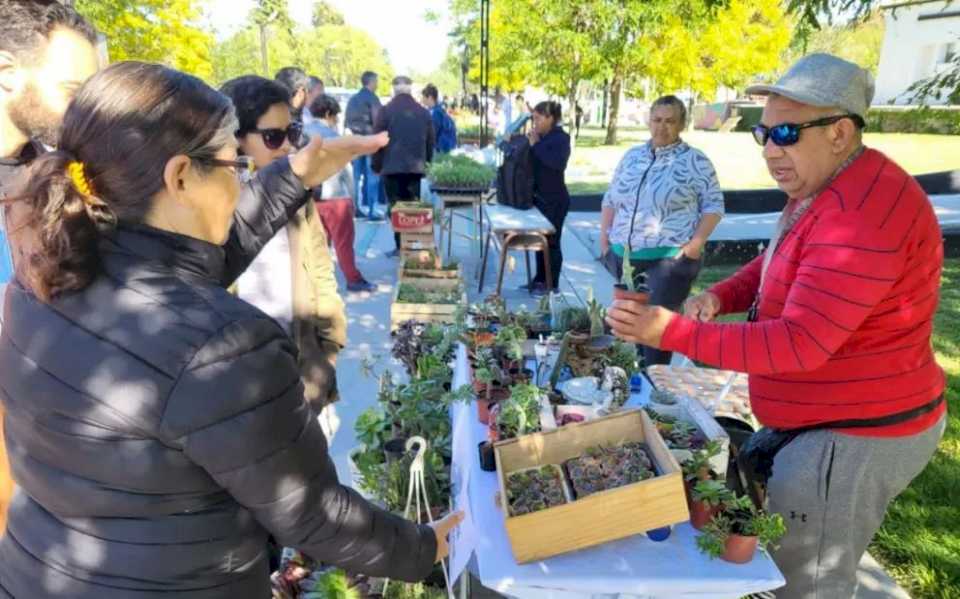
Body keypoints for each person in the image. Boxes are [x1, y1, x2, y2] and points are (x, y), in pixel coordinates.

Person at [0, 61, 461, 597]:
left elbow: (187, 266)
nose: (241, 177)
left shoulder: (45, 277)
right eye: (232, 164)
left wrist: (294, 173)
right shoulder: (222, 344)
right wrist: (426, 546)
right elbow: (312, 513)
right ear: (179, 178)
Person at [606, 54, 946, 599]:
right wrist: (722, 294)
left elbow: (799, 343)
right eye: (761, 132)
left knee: (807, 584)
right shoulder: (822, 185)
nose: (769, 149)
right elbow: (774, 263)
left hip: (855, 432)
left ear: (839, 132)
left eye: (785, 132)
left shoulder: (862, 212)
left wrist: (669, 333)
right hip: (822, 420)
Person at [0, 0, 98, 537]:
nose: (85, 112)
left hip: (55, 479)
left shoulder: (62, 180)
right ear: (7, 73)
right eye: (71, 92)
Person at [221, 75, 351, 417]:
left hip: (301, 367)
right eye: (273, 136)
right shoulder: (210, 203)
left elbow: (321, 267)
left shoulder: (298, 197)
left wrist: (330, 347)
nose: (287, 147)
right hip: (239, 380)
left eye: (291, 133)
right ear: (236, 140)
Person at [599, 95, 724, 366]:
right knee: (621, 327)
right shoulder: (632, 156)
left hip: (668, 260)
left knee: (655, 334)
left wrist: (694, 245)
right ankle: (620, 392)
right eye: (657, 120)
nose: (662, 127)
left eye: (670, 121)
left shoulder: (695, 161)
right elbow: (610, 199)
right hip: (624, 257)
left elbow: (714, 205)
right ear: (649, 120)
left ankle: (652, 396)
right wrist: (605, 243)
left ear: (681, 124)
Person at [305, 93, 376, 292]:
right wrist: (354, 200)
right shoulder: (335, 138)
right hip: (336, 198)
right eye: (335, 116)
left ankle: (314, 281)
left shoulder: (301, 134)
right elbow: (347, 173)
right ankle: (353, 279)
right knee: (343, 243)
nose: (336, 120)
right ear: (328, 114)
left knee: (317, 242)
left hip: (311, 197)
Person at [373, 76, 435, 257]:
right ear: (410, 89)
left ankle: (400, 246)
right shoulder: (423, 113)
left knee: (395, 207)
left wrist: (376, 166)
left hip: (391, 167)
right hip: (415, 168)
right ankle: (411, 245)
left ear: (394, 89)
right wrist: (428, 164)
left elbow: (377, 142)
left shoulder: (385, 111)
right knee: (411, 207)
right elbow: (431, 141)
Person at [525, 101, 571, 294]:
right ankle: (539, 278)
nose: (534, 122)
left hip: (555, 200)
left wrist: (536, 145)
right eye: (533, 118)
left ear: (550, 118)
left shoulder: (561, 139)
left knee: (551, 242)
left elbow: (557, 163)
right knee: (539, 241)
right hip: (540, 199)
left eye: (538, 118)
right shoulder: (541, 138)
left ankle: (552, 283)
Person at [345, 70, 384, 219]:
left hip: (355, 141)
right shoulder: (373, 99)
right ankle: (372, 210)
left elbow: (346, 121)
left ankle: (355, 208)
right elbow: (379, 121)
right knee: (372, 176)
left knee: (355, 178)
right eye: (377, 82)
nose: (378, 84)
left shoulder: (353, 99)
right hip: (369, 141)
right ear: (372, 82)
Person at [422, 83, 457, 154]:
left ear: (430, 97)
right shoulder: (437, 110)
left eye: (423, 97)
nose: (422, 99)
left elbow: (433, 134)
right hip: (444, 147)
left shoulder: (436, 113)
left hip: (440, 149)